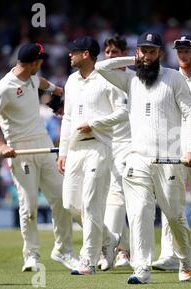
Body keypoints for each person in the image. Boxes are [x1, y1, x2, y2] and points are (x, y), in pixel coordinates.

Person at [95, 31, 191, 284]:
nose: (146, 55)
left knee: (174, 216)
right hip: (137, 158)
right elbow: (100, 66)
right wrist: (137, 58)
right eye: (143, 50)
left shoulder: (173, 78)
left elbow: (190, 115)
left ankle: (186, 259)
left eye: (152, 51)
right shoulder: (130, 79)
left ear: (161, 53)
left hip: (169, 159)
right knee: (139, 212)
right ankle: (141, 268)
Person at [0, 42, 79, 272]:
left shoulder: (33, 78)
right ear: (33, 63)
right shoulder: (4, 87)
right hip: (20, 151)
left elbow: (42, 84)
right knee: (29, 206)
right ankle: (31, 255)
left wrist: (57, 92)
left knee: (62, 200)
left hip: (43, 145)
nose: (42, 64)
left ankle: (64, 251)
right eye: (40, 61)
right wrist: (1, 145)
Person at [57, 36, 124, 275]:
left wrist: (94, 124)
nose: (69, 55)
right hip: (75, 148)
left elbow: (123, 112)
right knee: (71, 204)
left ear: (86, 54)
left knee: (91, 204)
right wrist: (63, 151)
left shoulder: (108, 78)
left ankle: (88, 260)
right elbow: (66, 118)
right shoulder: (71, 81)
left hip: (99, 146)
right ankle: (109, 238)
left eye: (73, 51)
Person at [151, 35, 191, 273]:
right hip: (173, 150)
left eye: (187, 51)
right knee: (169, 201)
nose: (183, 55)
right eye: (179, 51)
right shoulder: (168, 78)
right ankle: (170, 254)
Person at [96, 35, 132, 270]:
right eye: (107, 52)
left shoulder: (133, 79)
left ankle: (107, 250)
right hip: (103, 143)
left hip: (129, 143)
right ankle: (124, 250)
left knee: (118, 194)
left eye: (115, 52)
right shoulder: (99, 79)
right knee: (107, 197)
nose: (110, 56)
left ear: (124, 54)